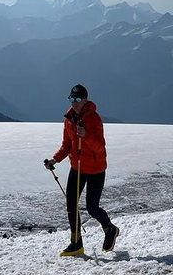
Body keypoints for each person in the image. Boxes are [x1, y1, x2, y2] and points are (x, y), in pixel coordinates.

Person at [44, 83, 119, 257]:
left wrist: (85, 136)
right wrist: (55, 159)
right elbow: (67, 145)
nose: (74, 102)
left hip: (95, 169)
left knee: (92, 208)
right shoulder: (69, 119)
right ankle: (76, 243)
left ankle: (109, 229)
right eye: (72, 98)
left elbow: (100, 147)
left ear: (85, 100)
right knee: (71, 205)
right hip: (77, 167)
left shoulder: (94, 119)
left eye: (78, 99)